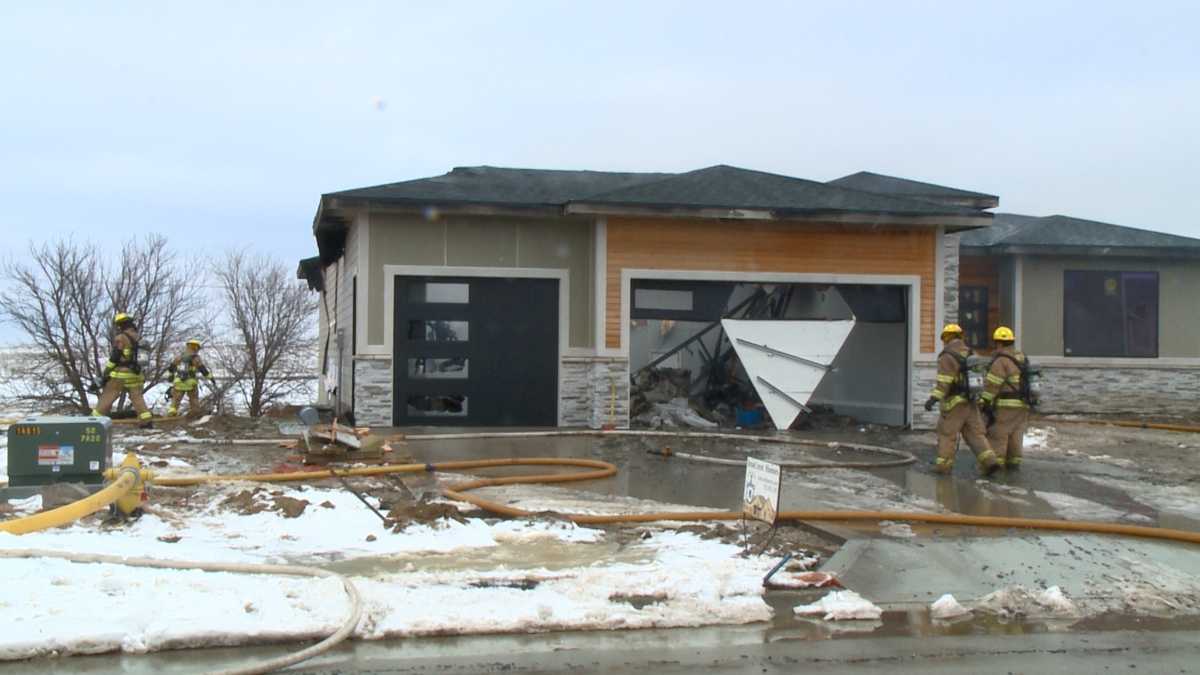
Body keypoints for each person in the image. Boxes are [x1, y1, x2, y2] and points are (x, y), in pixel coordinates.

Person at [923, 323, 1000, 476]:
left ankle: (943, 468)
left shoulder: (947, 356)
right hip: (971, 402)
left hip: (954, 404)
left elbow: (944, 382)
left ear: (946, 338)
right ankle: (990, 461)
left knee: (947, 434)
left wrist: (933, 399)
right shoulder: (971, 353)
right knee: (975, 434)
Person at [980, 326, 1032, 470]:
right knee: (1016, 434)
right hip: (1022, 405)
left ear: (998, 343)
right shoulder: (1021, 357)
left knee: (998, 434)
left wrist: (984, 401)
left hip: (1005, 405)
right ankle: (1014, 464)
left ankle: (996, 467)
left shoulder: (1001, 360)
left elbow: (993, 384)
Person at [91, 312, 154, 428]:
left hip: (122, 374)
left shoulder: (121, 337)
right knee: (137, 397)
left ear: (120, 325)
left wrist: (106, 373)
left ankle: (94, 419)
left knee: (109, 394)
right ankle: (146, 421)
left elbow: (115, 357)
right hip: (136, 374)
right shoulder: (138, 336)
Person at [167, 338, 216, 418]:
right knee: (194, 400)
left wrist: (171, 376)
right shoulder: (195, 358)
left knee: (175, 400)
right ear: (196, 347)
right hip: (190, 382)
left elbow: (171, 368)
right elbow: (202, 369)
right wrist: (210, 378)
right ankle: (195, 414)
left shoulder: (179, 357)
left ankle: (171, 414)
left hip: (178, 382)